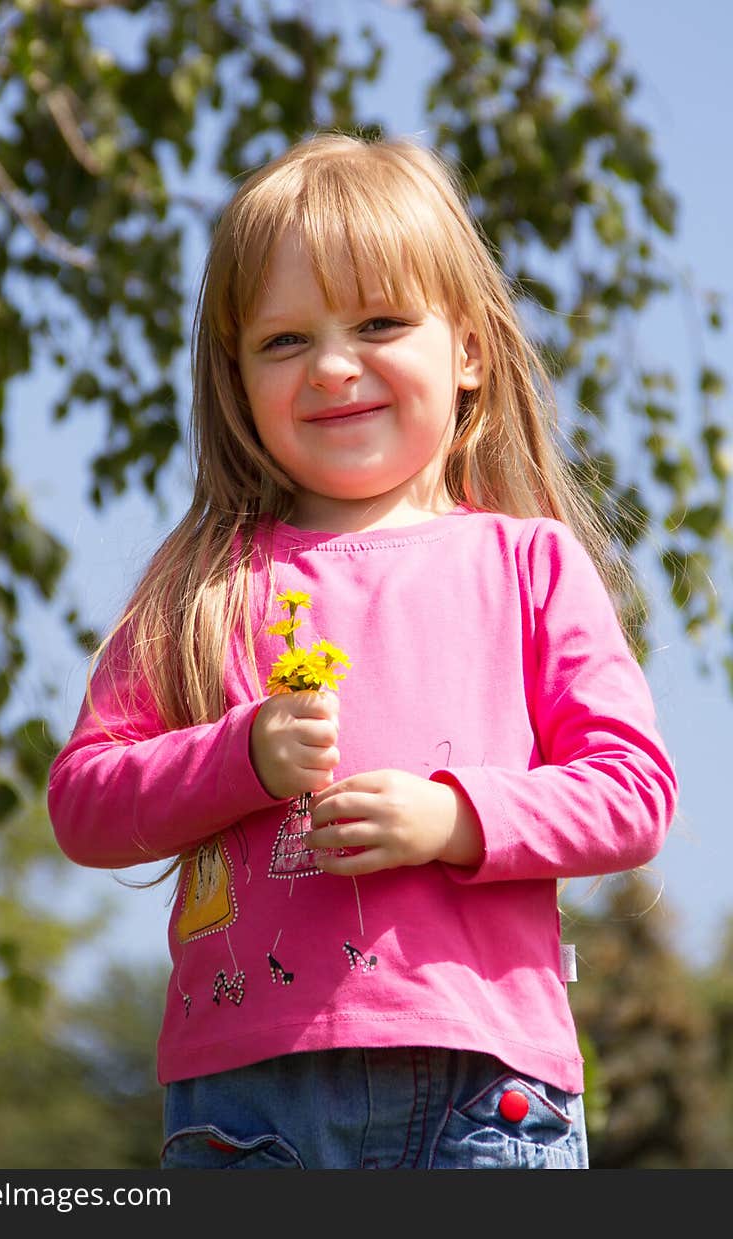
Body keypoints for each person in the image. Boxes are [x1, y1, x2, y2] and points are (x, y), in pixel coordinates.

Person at [47, 133, 678, 1170]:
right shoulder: (203, 581)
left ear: (468, 350)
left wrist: (454, 815)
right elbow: (85, 800)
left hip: (487, 1094)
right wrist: (238, 758)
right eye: (285, 341)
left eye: (379, 323)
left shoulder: (528, 563)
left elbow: (632, 792)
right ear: (237, 375)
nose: (334, 366)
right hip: (251, 1102)